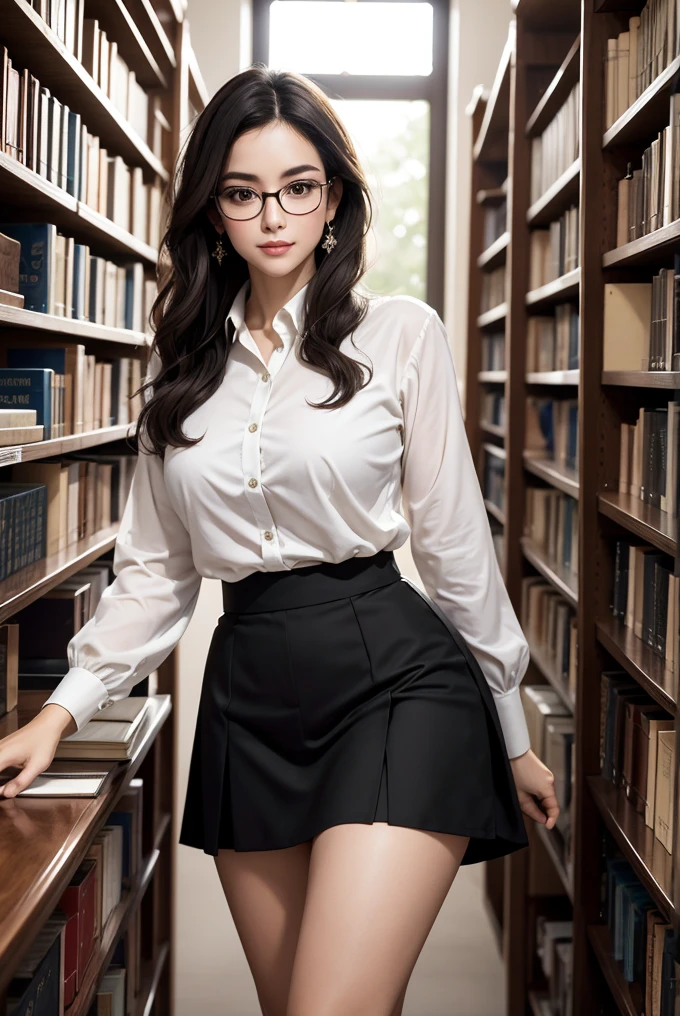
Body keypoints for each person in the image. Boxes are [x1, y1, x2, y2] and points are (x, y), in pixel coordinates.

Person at [0, 64, 558, 1016]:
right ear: (213, 209)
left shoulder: (400, 335)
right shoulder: (180, 366)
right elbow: (156, 574)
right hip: (248, 694)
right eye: (243, 191)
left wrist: (512, 730)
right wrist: (58, 716)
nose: (273, 215)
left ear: (333, 198)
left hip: (396, 681)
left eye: (299, 188)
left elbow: (455, 542)